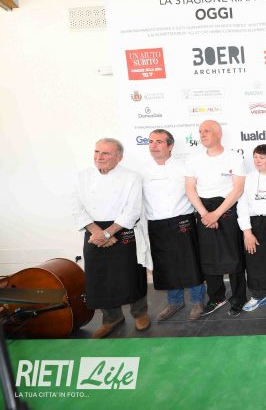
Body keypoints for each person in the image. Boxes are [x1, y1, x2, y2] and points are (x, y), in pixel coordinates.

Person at [72, 138, 148, 338]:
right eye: (97, 151)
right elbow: (76, 206)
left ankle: (140, 313)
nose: (99, 157)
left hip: (122, 228)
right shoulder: (82, 176)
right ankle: (111, 318)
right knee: (99, 276)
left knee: (131, 274)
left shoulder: (131, 177)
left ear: (119, 157)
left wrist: (108, 233)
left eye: (106, 153)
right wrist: (97, 232)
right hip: (93, 230)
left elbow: (132, 210)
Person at [185, 120, 247, 317]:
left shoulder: (234, 157)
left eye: (207, 131)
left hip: (226, 210)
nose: (202, 134)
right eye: (200, 131)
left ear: (219, 133)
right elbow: (190, 189)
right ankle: (216, 297)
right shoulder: (193, 159)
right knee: (209, 257)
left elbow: (238, 189)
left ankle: (238, 298)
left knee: (234, 257)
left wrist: (217, 214)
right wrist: (205, 214)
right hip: (203, 212)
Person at [142, 129, 205, 321]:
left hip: (182, 220)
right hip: (156, 223)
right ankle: (175, 302)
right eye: (151, 142)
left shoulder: (184, 167)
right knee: (166, 264)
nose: (154, 146)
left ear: (170, 146)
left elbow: (195, 192)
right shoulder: (143, 171)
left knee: (190, 263)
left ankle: (198, 301)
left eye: (159, 142)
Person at [236, 144, 266, 313]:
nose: (257, 160)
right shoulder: (248, 178)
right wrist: (247, 232)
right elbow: (242, 206)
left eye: (262, 157)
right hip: (254, 223)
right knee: (254, 260)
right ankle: (258, 295)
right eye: (255, 157)